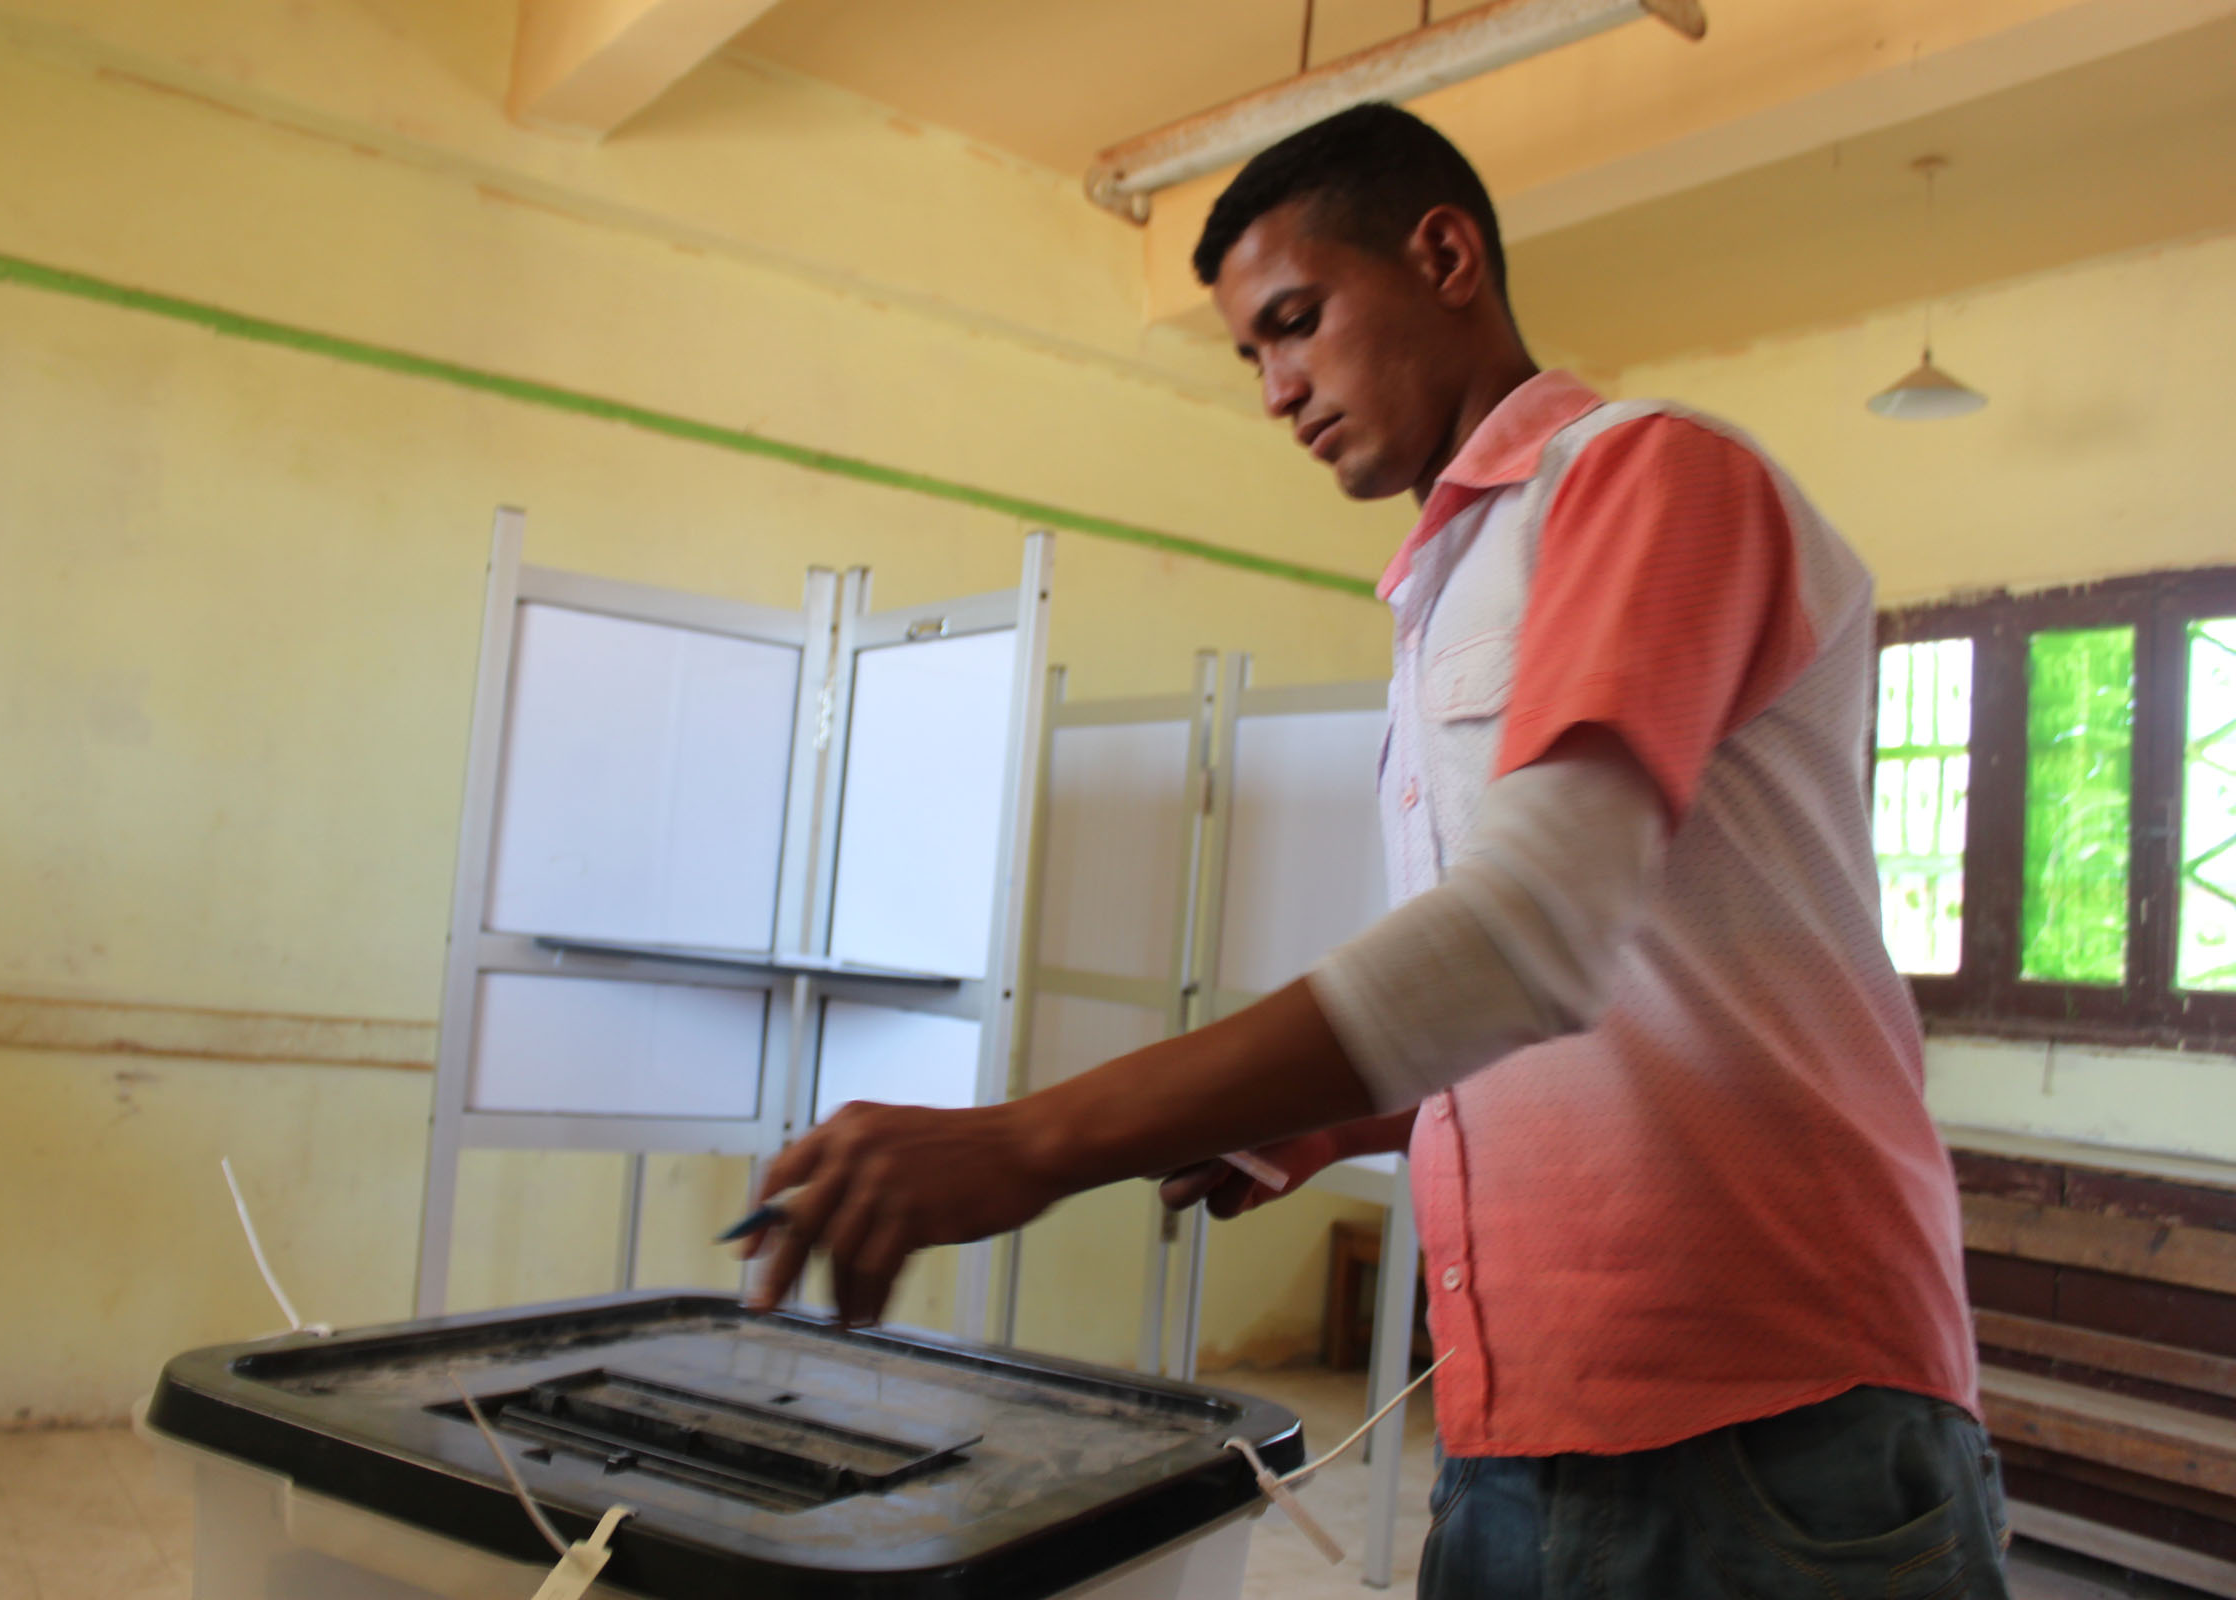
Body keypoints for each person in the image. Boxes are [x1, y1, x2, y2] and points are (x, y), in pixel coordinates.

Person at [741, 104, 2009, 1599]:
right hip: (1528, 1420)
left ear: (1445, 254)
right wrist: (1330, 1120)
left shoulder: (1645, 479)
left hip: (1770, 1426)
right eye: (1251, 356)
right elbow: (1590, 999)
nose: (1278, 389)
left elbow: (1526, 938)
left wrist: (1029, 1143)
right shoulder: (1449, 589)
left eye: (1298, 323)